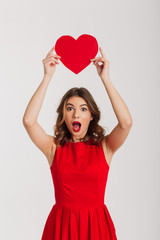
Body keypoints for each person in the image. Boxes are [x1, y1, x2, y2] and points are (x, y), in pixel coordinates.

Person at [23, 45, 133, 239]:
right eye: (70, 108)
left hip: (97, 227)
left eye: (83, 109)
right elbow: (29, 121)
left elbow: (126, 123)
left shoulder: (105, 148)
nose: (76, 113)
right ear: (63, 115)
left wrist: (105, 78)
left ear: (91, 116)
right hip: (62, 227)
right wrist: (47, 76)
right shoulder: (53, 148)